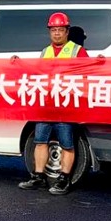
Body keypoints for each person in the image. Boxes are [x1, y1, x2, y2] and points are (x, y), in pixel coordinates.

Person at [15, 12, 89, 195]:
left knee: (67, 144)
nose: (56, 33)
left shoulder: (77, 50)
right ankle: (38, 177)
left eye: (60, 30)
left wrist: (100, 63)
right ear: (49, 31)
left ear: (67, 31)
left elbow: (89, 72)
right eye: (53, 30)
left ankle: (64, 179)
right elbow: (37, 73)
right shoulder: (45, 52)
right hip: (46, 106)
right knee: (40, 141)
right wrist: (18, 64)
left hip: (66, 106)